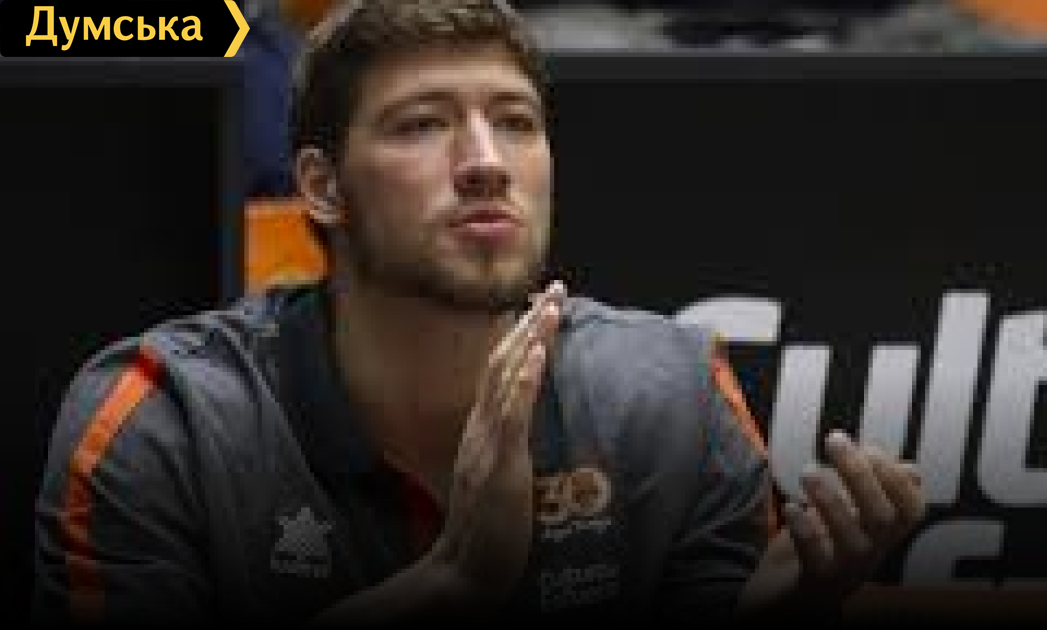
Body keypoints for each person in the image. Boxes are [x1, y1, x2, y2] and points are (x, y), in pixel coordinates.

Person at [31, 0, 925, 624]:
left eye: (517, 121)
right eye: (423, 124)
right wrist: (452, 584)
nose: (487, 161)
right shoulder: (161, 423)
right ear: (322, 187)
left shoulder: (675, 396)